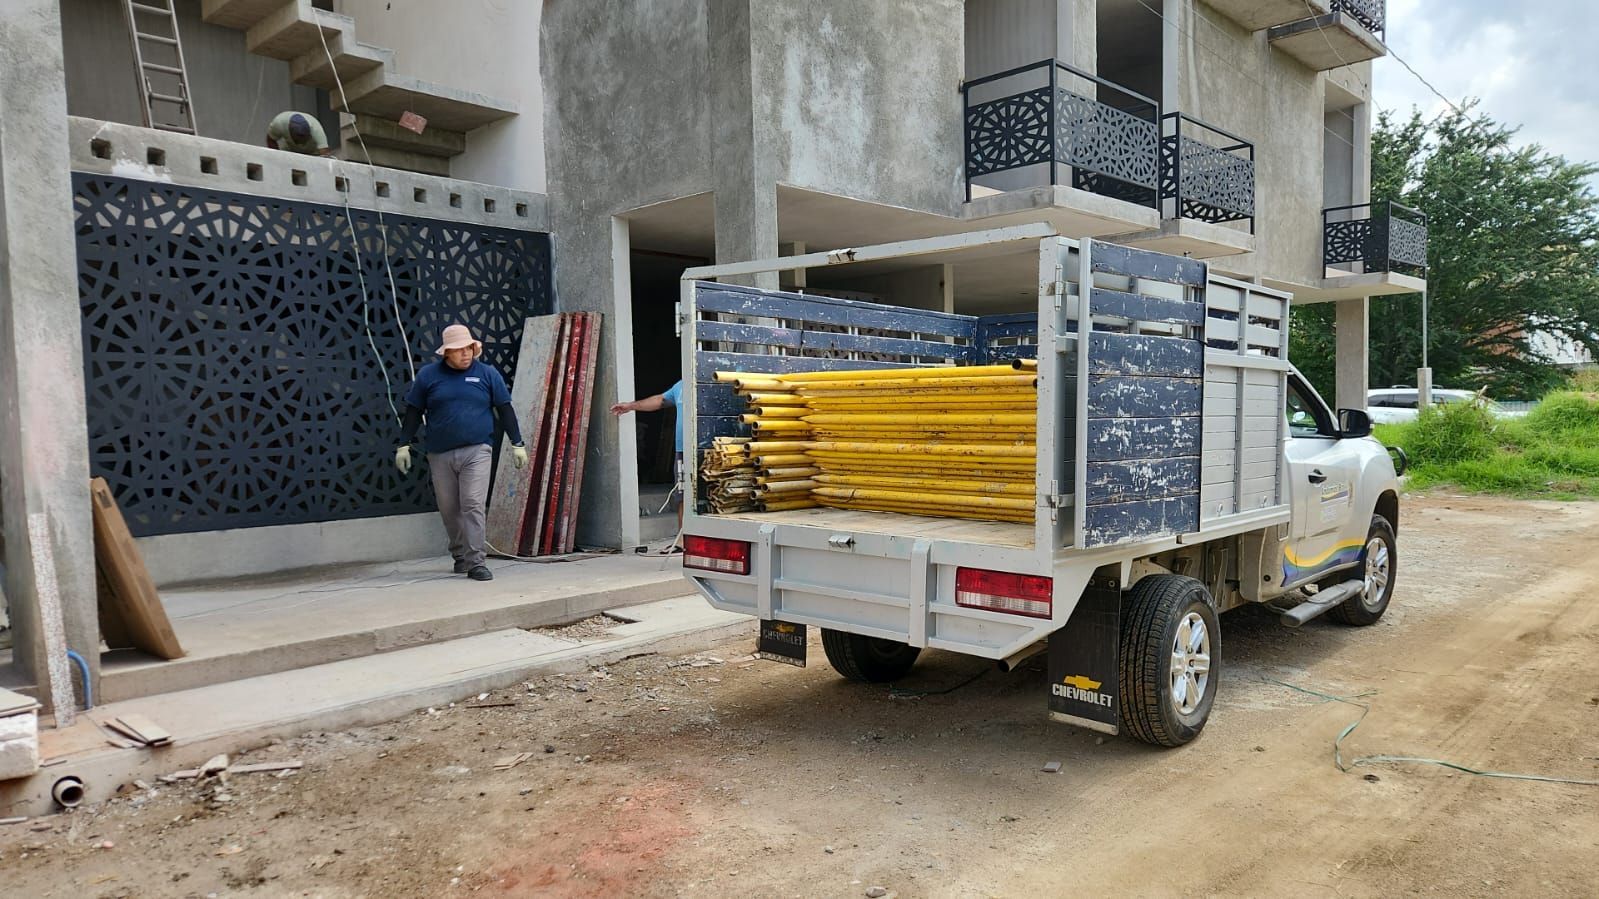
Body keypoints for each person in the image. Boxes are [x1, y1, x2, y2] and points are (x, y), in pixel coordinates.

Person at [396, 325, 528, 581]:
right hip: (439, 453)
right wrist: (403, 444)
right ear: (447, 353)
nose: (466, 354)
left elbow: (505, 409)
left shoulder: (487, 374)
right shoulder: (428, 376)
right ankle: (460, 556)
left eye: (469, 348)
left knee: (472, 504)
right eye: (459, 350)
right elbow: (413, 411)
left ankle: (477, 561)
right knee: (449, 508)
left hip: (477, 450)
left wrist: (517, 443)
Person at [611, 380, 684, 534]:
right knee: (683, 496)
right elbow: (660, 400)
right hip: (682, 451)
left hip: (708, 448)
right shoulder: (681, 385)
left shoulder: (711, 380)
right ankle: (683, 540)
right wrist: (630, 406)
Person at [265, 111, 331, 156]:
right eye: (298, 140)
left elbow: (325, 153)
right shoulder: (279, 123)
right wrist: (277, 157)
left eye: (304, 140)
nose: (301, 144)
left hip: (313, 153)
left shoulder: (316, 129)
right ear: (290, 133)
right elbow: (271, 139)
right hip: (290, 151)